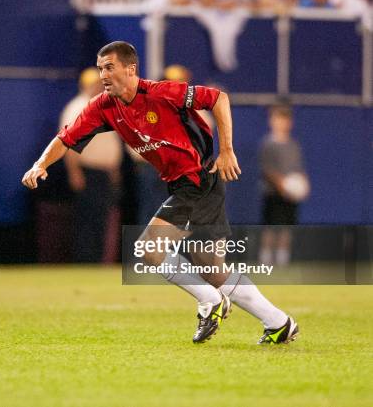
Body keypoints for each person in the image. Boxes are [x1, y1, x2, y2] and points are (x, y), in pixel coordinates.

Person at [22, 41, 299, 345]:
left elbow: (219, 98)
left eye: (109, 67)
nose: (103, 74)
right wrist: (40, 164)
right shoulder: (104, 106)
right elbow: (66, 137)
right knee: (211, 267)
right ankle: (279, 323)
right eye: (100, 68)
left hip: (197, 179)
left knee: (150, 249)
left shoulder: (161, 92)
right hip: (186, 183)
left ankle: (211, 302)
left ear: (130, 69)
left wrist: (227, 150)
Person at [59, 68, 123, 263]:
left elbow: (109, 145)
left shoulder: (104, 107)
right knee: (87, 220)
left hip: (103, 173)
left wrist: (113, 170)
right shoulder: (78, 107)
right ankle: (85, 260)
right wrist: (74, 172)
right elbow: (68, 142)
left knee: (100, 220)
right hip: (88, 172)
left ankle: (96, 261)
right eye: (96, 84)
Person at [258, 104, 309, 267]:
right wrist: (282, 185)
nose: (280, 123)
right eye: (277, 119)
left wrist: (302, 184)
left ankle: (282, 260)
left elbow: (298, 168)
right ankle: (265, 260)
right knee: (270, 227)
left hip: (290, 196)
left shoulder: (293, 145)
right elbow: (266, 170)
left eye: (284, 119)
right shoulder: (268, 144)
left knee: (287, 227)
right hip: (273, 194)